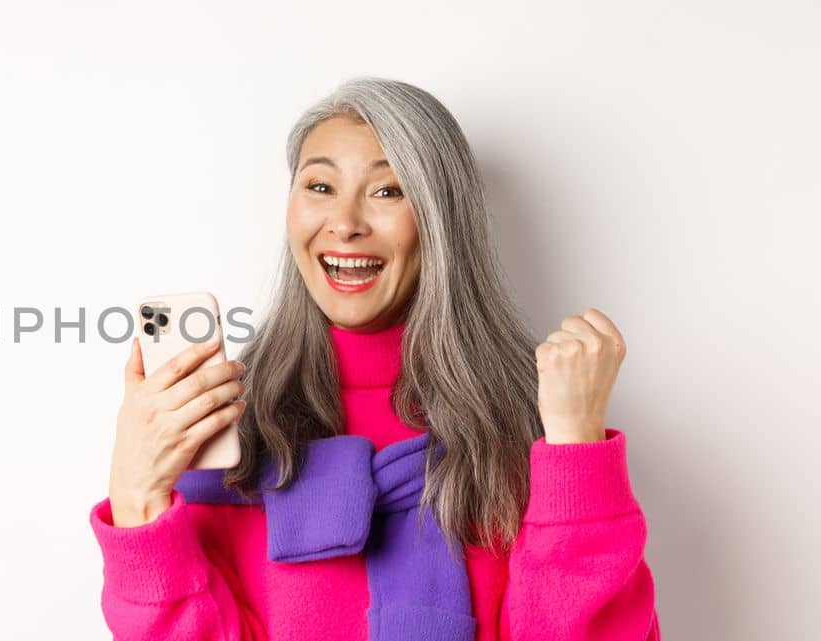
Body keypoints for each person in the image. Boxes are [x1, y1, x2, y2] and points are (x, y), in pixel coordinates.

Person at [90, 77, 661, 641]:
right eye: (319, 187)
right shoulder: (220, 430)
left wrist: (577, 452)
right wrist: (137, 496)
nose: (344, 224)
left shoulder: (532, 427)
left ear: (442, 221)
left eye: (387, 191)